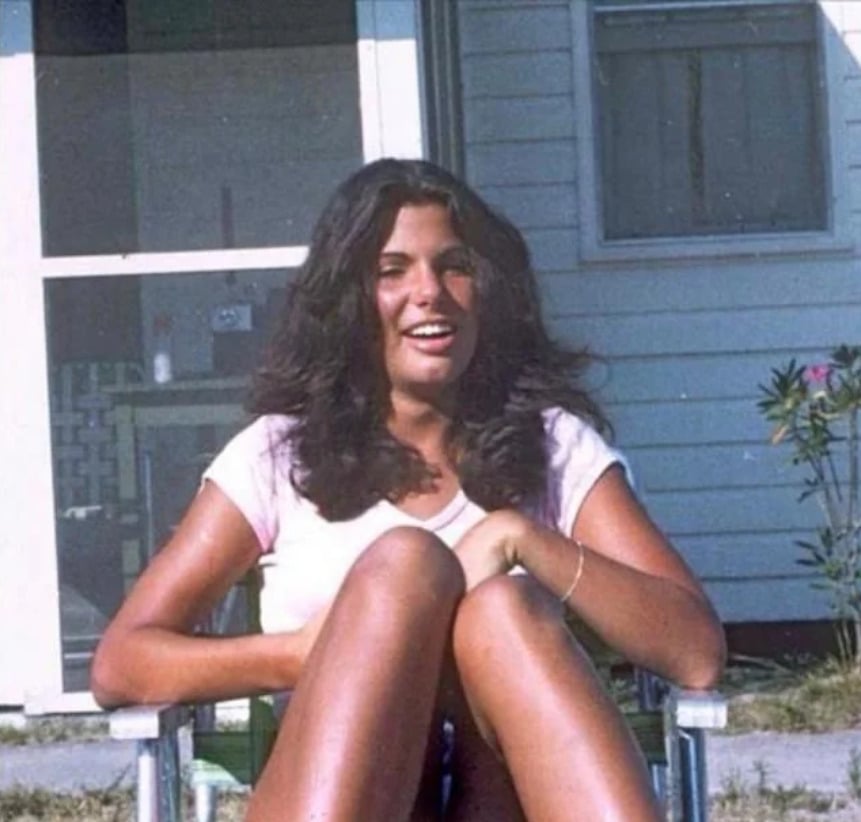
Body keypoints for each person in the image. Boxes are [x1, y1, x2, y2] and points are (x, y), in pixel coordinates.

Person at [92, 158, 726, 821]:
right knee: (405, 564)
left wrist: (519, 538)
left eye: (454, 265)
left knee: (503, 609)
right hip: (348, 798)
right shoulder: (277, 455)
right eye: (391, 271)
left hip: (497, 798)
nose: (430, 292)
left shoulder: (553, 446)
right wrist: (308, 651)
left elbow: (695, 652)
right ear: (348, 300)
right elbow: (122, 662)